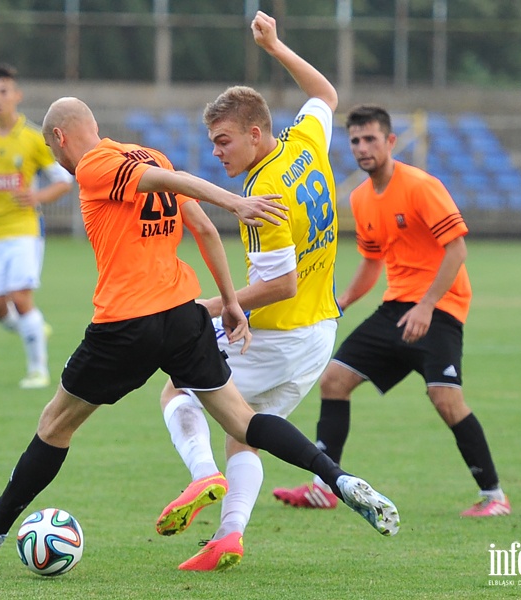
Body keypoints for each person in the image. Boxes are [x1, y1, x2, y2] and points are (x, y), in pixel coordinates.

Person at [0, 97, 399, 569]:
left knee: (56, 424)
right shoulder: (148, 153)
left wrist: (234, 200)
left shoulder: (96, 165)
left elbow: (169, 186)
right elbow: (202, 229)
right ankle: (336, 478)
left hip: (125, 323)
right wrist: (231, 301)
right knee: (241, 421)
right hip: (183, 314)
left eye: (54, 154)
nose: (60, 164)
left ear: (59, 138)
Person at [153, 10, 367, 572]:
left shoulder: (262, 197)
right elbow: (325, 91)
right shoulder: (303, 143)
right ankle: (228, 538)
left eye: (224, 142)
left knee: (177, 386)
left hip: (283, 331)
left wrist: (214, 305)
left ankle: (203, 477)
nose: (217, 152)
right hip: (319, 331)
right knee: (242, 433)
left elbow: (279, 283)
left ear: (254, 132)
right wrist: (275, 46)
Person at [272, 104, 510, 518]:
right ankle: (324, 488)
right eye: (355, 141)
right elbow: (371, 261)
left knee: (445, 398)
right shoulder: (362, 198)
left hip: (441, 305)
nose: (362, 148)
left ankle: (494, 497)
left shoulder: (420, 186)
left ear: (390, 142)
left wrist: (427, 305)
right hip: (396, 307)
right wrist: (341, 301)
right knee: (334, 380)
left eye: (371, 139)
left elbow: (457, 250)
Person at [0, 64, 74, 389]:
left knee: (21, 298)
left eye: (3, 91)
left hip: (24, 231)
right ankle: (33, 328)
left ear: (16, 95)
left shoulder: (31, 138)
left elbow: (64, 181)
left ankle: (38, 370)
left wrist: (36, 196)